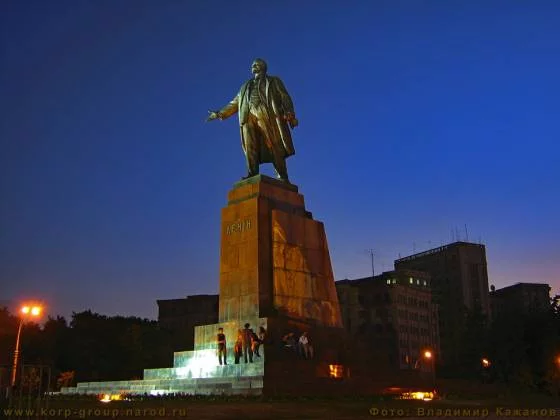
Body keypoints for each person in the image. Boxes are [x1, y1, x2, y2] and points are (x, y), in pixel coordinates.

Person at [207, 58, 299, 182]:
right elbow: (234, 103)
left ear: (263, 67)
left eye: (256, 64)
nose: (253, 66)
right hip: (248, 116)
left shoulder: (273, 81)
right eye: (252, 65)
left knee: (273, 144)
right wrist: (219, 114)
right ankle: (252, 173)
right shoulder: (245, 86)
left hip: (266, 115)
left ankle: (282, 175)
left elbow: (284, 97)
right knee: (250, 145)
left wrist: (289, 112)